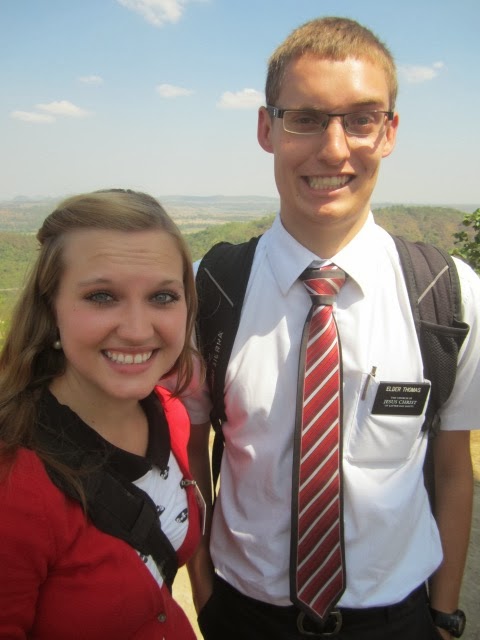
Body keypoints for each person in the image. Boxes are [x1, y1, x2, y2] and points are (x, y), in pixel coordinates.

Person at [182, 16, 480, 640]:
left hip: (397, 619)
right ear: (266, 129)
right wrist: (206, 596)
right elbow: (192, 455)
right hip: (244, 615)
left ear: (389, 131)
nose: (335, 149)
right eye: (306, 118)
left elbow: (454, 467)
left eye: (361, 119)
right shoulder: (212, 290)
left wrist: (443, 614)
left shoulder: (449, 295)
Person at [0, 189, 203, 639]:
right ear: (50, 310)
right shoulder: (14, 479)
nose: (136, 330)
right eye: (101, 296)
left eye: (162, 297)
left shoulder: (168, 415)